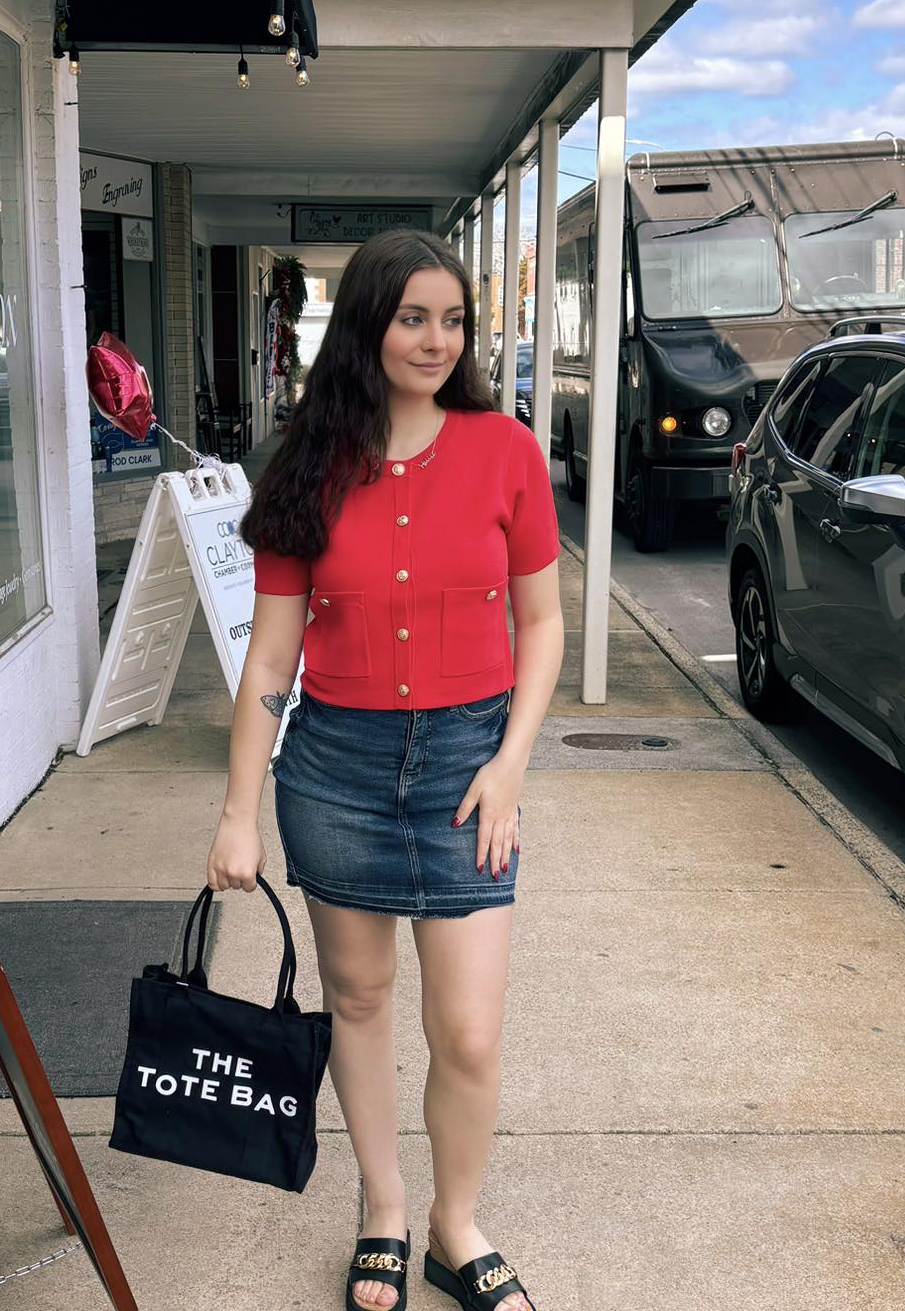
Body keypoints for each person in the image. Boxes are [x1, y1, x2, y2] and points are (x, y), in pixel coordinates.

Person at [209, 229, 563, 1311]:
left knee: (467, 1029)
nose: (436, 339)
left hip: (466, 768)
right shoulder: (308, 464)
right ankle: (386, 1210)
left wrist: (510, 766)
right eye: (414, 316)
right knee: (357, 999)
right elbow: (272, 657)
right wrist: (240, 810)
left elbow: (540, 624)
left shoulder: (505, 451)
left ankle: (457, 1229)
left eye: (453, 320)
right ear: (366, 323)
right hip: (337, 771)